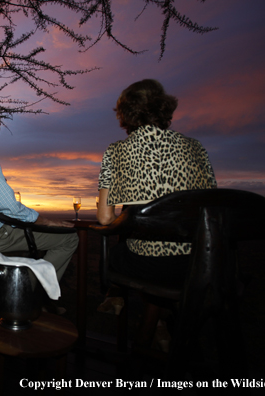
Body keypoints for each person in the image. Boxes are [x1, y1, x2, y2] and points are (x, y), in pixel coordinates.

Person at [96, 79, 217, 316]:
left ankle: (117, 296)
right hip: (199, 263)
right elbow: (211, 207)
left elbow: (104, 219)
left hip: (149, 266)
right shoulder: (196, 147)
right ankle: (162, 326)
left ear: (125, 113)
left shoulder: (117, 151)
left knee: (120, 253)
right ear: (164, 107)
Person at [0, 101, 78, 310]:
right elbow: (11, 208)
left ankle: (27, 290)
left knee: (31, 238)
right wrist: (45, 221)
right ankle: (29, 295)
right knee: (69, 238)